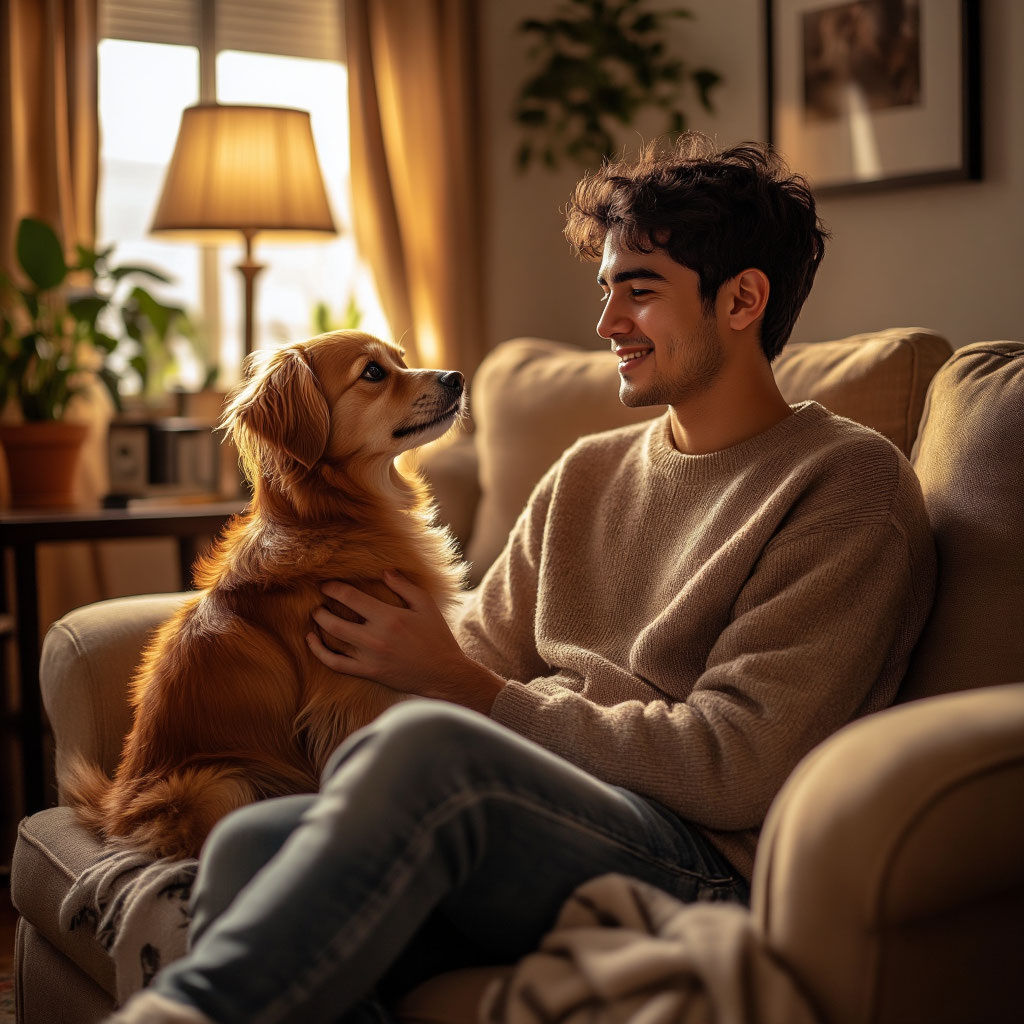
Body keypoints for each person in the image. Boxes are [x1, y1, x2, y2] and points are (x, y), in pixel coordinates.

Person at [108, 135, 936, 1024]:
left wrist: (474, 691)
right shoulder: (586, 472)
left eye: (640, 290)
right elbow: (473, 658)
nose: (607, 323)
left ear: (741, 300)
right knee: (250, 842)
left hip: (699, 861)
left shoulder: (845, 485)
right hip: (533, 823)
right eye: (606, 289)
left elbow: (735, 767)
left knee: (427, 751)